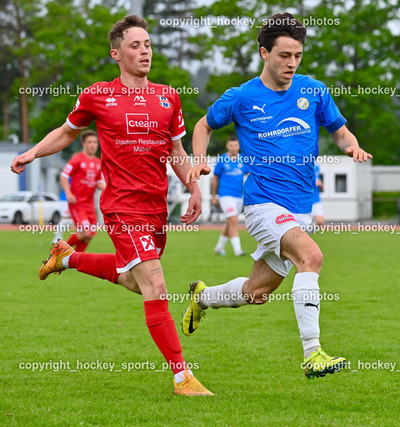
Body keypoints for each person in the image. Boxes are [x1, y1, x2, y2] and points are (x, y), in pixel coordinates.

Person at [10, 15, 211, 396]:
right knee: (155, 284)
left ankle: (66, 258)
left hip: (156, 207)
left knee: (133, 280)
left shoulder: (168, 96)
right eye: (135, 46)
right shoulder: (98, 95)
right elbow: (67, 132)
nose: (144, 51)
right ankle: (182, 377)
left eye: (148, 44)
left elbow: (177, 151)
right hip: (121, 207)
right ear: (116, 53)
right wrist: (33, 152)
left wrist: (193, 185)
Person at [182, 13, 372, 379]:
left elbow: (341, 132)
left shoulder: (313, 91)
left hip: (299, 207)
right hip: (263, 203)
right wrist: (201, 161)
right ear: (264, 53)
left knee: (257, 291)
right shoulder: (241, 97)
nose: (292, 63)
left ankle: (202, 297)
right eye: (284, 55)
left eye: (297, 55)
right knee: (311, 256)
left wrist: (353, 147)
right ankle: (313, 352)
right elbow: (203, 125)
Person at [58, 130, 106, 251]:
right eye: (89, 142)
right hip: (77, 203)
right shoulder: (77, 159)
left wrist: (111, 189)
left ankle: (76, 260)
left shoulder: (97, 162)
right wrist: (68, 194)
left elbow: (98, 182)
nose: (93, 145)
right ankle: (59, 251)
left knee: (89, 236)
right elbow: (64, 176)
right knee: (85, 232)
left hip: (90, 204)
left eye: (95, 142)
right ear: (84, 144)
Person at [212, 134, 246, 256]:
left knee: (230, 222)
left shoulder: (243, 159)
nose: (233, 148)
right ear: (227, 146)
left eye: (235, 145)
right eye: (231, 145)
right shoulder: (221, 159)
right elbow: (215, 179)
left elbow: (248, 176)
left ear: (239, 146)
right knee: (233, 219)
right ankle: (238, 250)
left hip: (239, 196)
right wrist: (213, 196)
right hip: (225, 195)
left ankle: (219, 247)